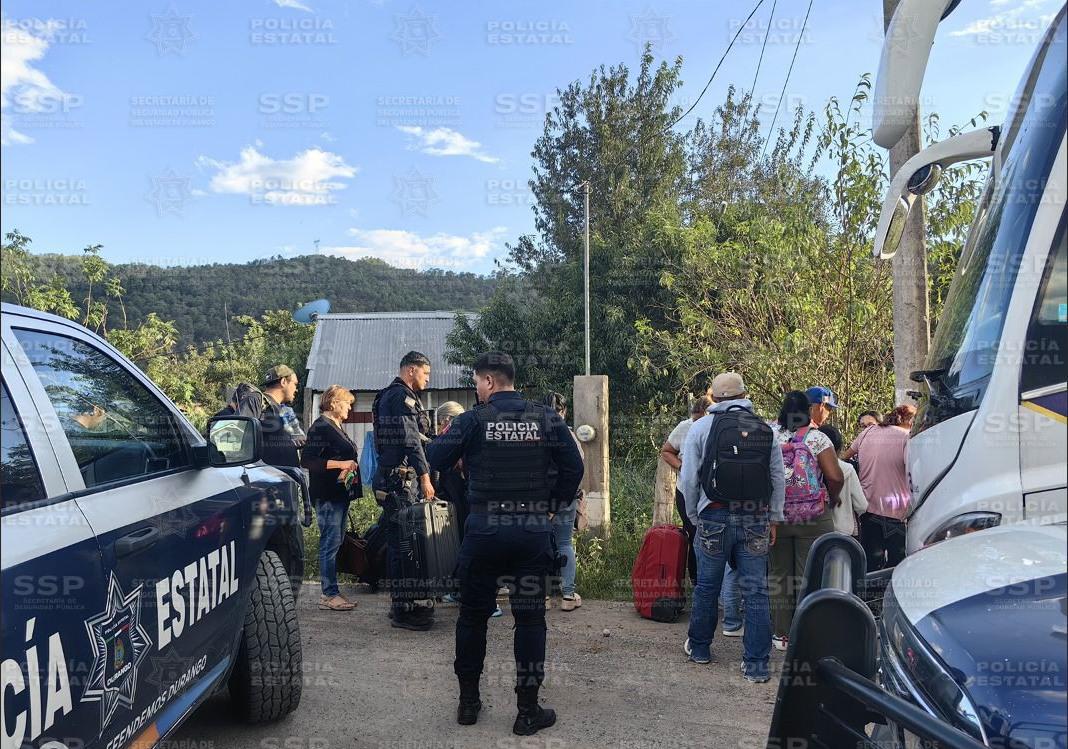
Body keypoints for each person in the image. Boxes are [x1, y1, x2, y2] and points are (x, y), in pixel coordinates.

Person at [427, 352, 583, 734]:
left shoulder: (473, 420)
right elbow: (574, 468)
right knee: (530, 620)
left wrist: (465, 458)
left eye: (478, 382)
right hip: (531, 532)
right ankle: (527, 712)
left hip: (484, 531)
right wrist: (551, 507)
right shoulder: (546, 417)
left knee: (472, 617)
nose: (477, 389)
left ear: (490, 382)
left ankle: (468, 703)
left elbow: (435, 455)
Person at [679, 372, 784, 683]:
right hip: (755, 520)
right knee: (756, 591)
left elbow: (688, 480)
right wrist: (774, 518)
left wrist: (695, 517)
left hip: (713, 517)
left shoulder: (699, 428)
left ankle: (699, 649)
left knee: (707, 587)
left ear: (716, 398)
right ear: (744, 395)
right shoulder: (766, 430)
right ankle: (756, 665)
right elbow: (777, 478)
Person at [769, 390, 844, 652]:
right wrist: (831, 499)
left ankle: (780, 634)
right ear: (808, 411)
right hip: (813, 516)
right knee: (807, 574)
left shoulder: (770, 435)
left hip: (776, 518)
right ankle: (804, 634)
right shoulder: (818, 438)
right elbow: (835, 477)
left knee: (779, 575)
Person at [372, 351, 437, 631]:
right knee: (404, 545)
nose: (427, 378)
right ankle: (403, 611)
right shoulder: (401, 397)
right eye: (425, 373)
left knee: (399, 543)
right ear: (411, 370)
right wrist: (425, 477)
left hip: (393, 479)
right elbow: (411, 441)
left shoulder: (390, 395)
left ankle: (400, 604)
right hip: (400, 482)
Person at [433, 401, 504, 618]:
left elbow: (440, 460)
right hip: (473, 501)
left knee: (476, 551)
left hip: (474, 502)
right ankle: (462, 593)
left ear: (446, 421)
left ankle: (488, 602)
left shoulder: (457, 434)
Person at [302, 385, 361, 611]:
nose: (350, 407)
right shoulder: (320, 428)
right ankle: (328, 594)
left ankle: (333, 591)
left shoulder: (335, 426)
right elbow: (307, 461)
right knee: (329, 542)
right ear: (334, 403)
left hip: (339, 495)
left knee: (335, 542)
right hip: (327, 496)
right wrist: (341, 464)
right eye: (347, 403)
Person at [843, 404, 915, 571]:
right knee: (896, 566)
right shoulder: (906, 437)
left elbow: (844, 459)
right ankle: (888, 596)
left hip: (867, 508)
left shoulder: (867, 433)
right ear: (909, 421)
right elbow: (913, 471)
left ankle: (867, 597)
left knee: (870, 562)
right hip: (895, 512)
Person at [660, 395, 714, 585]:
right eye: (694, 421)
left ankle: (714, 582)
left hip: (712, 492)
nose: (696, 425)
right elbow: (666, 451)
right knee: (693, 533)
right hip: (686, 490)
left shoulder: (718, 427)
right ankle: (696, 580)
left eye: (700, 421)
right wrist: (683, 467)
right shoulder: (685, 426)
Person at [543, 391, 585, 612]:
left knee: (541, 545)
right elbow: (578, 468)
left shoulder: (535, 435)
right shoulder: (569, 436)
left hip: (540, 500)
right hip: (565, 498)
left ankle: (543, 597)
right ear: (565, 411)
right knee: (564, 544)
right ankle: (568, 595)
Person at [818, 424, 868, 537]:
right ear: (839, 447)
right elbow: (862, 505)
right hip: (843, 533)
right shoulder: (847, 469)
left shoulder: (809, 469)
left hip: (816, 532)